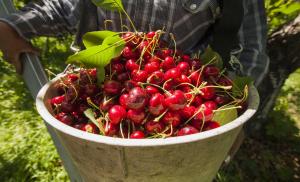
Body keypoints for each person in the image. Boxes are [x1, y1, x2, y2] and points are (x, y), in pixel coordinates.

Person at [0, 0, 269, 157]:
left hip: (185, 111)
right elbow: (67, 7)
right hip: (100, 99)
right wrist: (14, 25)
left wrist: (234, 119)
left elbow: (250, 49)